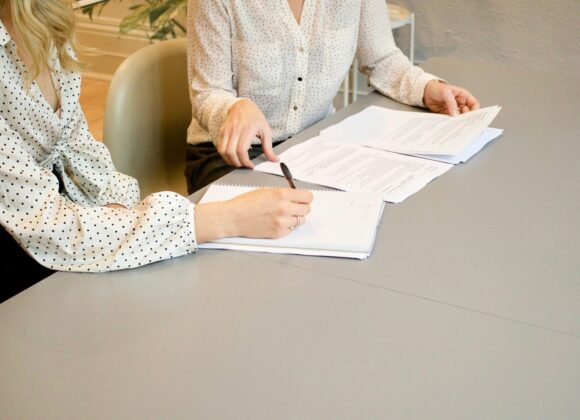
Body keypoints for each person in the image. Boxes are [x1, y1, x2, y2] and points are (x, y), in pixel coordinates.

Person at [0, 0, 313, 303]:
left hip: (69, 237)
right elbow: (49, 227)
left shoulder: (45, 18)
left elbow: (80, 152)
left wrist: (123, 211)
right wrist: (229, 218)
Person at [185, 0, 481, 193]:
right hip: (230, 156)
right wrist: (234, 108)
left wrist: (426, 88)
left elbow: (381, 58)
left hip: (314, 146)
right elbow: (208, 92)